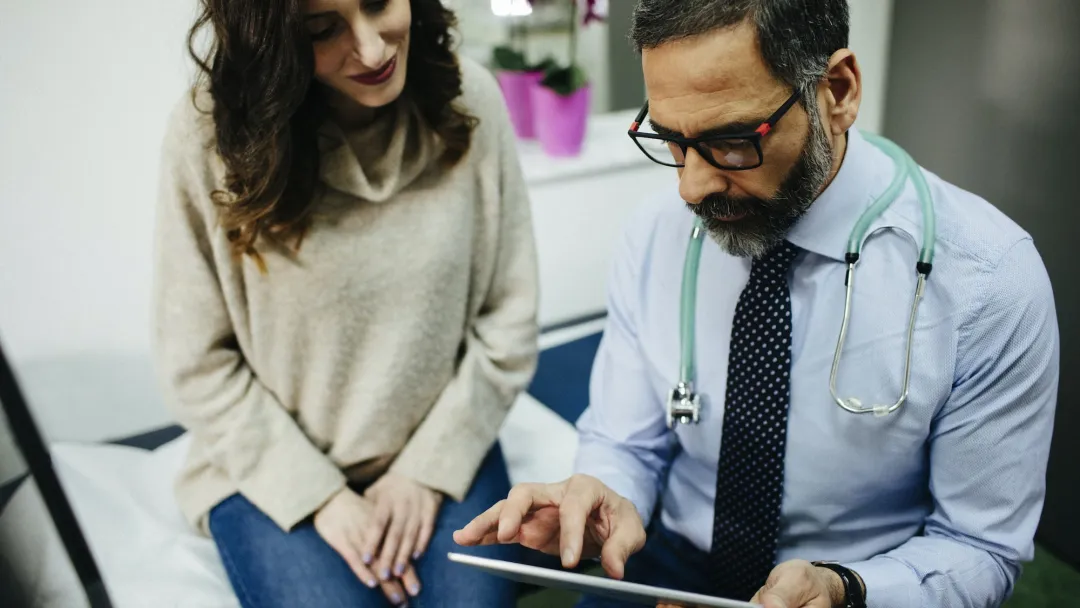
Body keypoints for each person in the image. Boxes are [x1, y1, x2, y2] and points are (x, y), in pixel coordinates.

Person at [455, 1, 1060, 607]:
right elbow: (626, 440)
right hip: (668, 560)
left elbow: (982, 548)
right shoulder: (656, 232)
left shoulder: (989, 280)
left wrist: (849, 589)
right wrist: (607, 495)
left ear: (839, 91)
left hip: (858, 584)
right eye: (670, 140)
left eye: (732, 142)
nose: (690, 187)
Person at [151, 0, 539, 606]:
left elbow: (508, 322)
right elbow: (196, 362)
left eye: (381, 3)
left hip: (435, 445)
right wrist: (321, 497)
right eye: (321, 29)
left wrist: (423, 472)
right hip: (276, 466)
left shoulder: (471, 101)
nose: (374, 49)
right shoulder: (210, 137)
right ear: (270, 42)